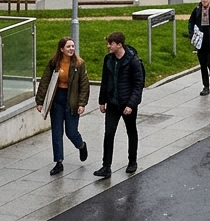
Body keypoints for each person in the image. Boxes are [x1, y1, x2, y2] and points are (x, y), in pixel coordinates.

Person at [35, 37, 91, 175]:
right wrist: (40, 101)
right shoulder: (54, 62)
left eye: (72, 46)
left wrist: (82, 103)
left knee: (71, 132)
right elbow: (45, 81)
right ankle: (58, 162)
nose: (71, 49)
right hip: (57, 100)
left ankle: (81, 145)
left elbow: (84, 85)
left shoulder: (79, 64)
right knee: (57, 132)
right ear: (61, 49)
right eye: (68, 47)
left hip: (71, 100)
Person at [95, 31, 145, 176]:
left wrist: (131, 104)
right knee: (109, 133)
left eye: (110, 44)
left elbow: (138, 84)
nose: (108, 46)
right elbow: (105, 81)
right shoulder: (108, 60)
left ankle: (132, 161)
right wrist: (102, 101)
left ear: (119, 45)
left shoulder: (133, 61)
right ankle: (106, 166)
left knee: (131, 131)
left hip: (127, 103)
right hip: (112, 103)